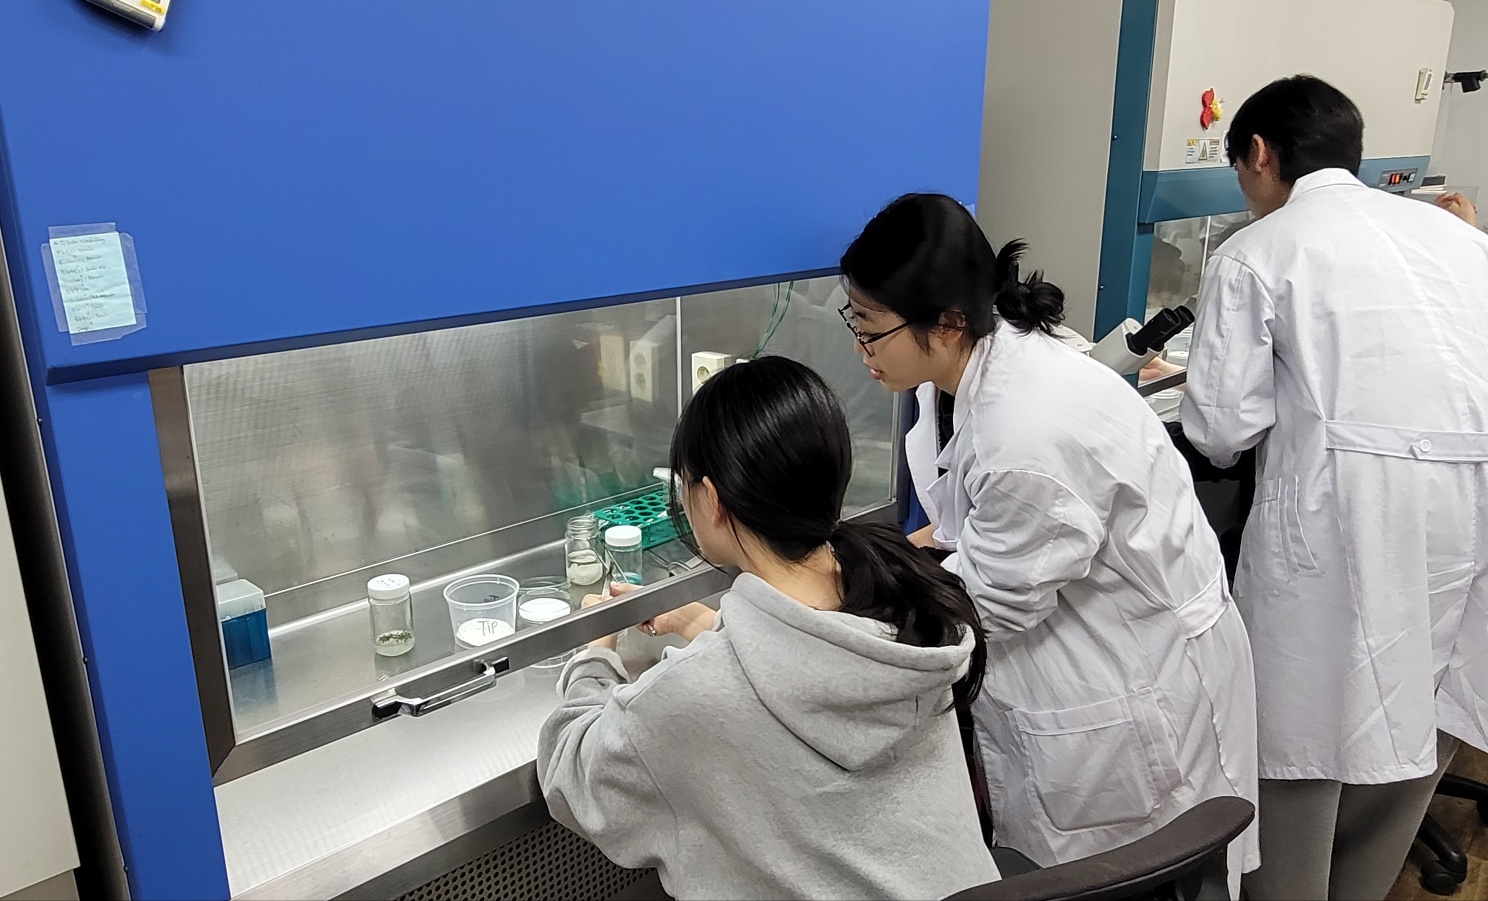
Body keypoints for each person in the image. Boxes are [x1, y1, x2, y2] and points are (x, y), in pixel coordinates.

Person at [838, 193, 1260, 883]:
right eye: (855, 320)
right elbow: (971, 521)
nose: (861, 349)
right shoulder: (973, 368)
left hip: (1126, 682)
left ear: (947, 322)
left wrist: (842, 606)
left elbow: (991, 602)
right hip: (1092, 638)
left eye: (871, 328)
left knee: (1132, 877)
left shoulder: (1026, 430)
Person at [1180, 74, 1488, 901]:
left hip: (1350, 513)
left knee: (1305, 728)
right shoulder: (1459, 238)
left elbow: (1220, 427)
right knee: (1423, 709)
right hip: (1469, 507)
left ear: (1258, 153)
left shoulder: (1258, 250)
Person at [537, 356, 999, 900]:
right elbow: (813, 661)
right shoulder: (908, 610)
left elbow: (572, 777)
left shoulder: (692, 697)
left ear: (711, 500)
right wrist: (703, 623)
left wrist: (593, 652)